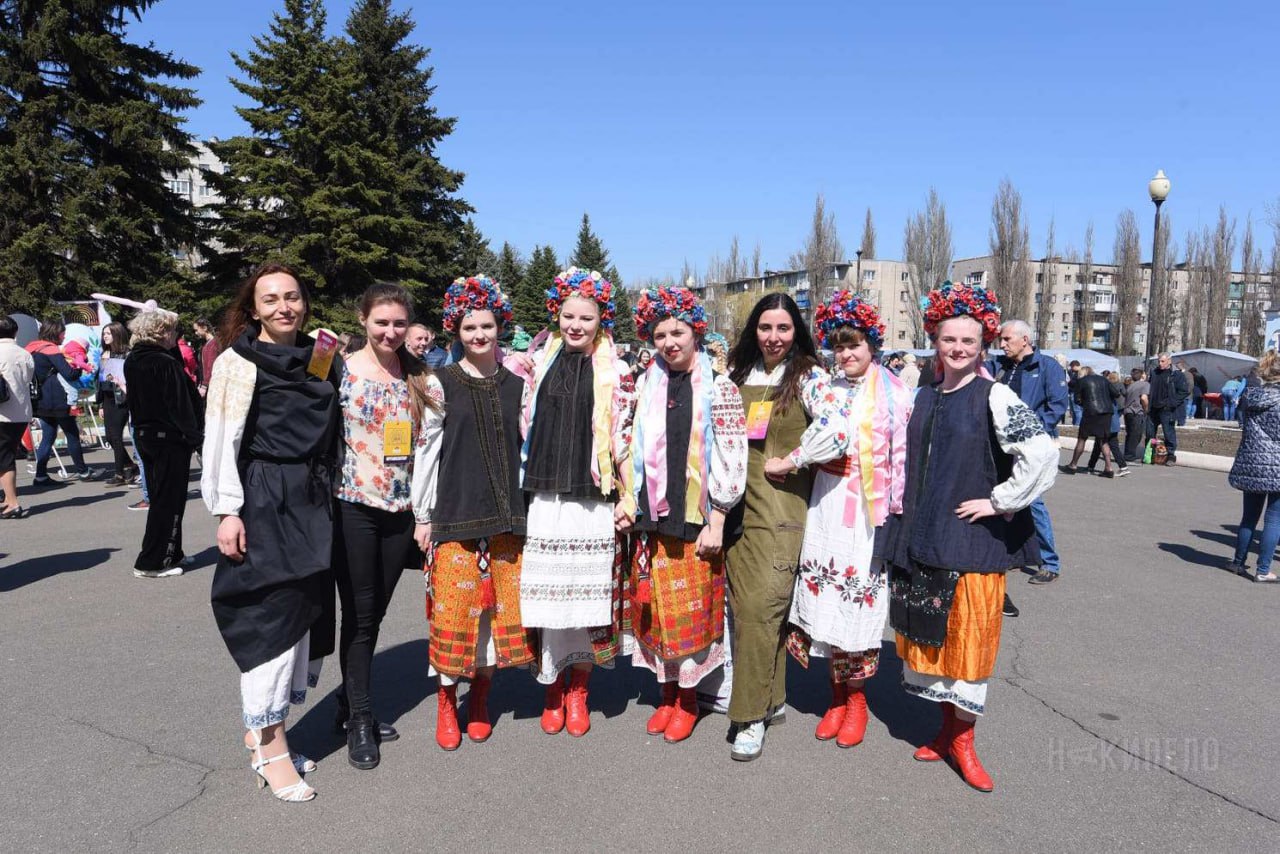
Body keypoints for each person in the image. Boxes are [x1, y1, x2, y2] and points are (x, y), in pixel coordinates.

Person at [889, 281, 1057, 792]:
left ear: (982, 344)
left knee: (970, 647)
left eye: (968, 341)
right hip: (926, 538)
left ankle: (964, 741)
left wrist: (999, 500)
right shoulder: (922, 395)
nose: (958, 349)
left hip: (972, 544)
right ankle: (944, 732)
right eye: (948, 340)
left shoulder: (996, 395)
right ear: (934, 342)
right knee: (934, 644)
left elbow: (1043, 454)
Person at [202, 263, 340, 803]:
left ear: (304, 301)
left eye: (292, 296)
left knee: (304, 612)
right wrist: (227, 511)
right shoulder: (237, 361)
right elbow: (221, 437)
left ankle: (266, 733)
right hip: (263, 495)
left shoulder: (321, 355)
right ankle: (270, 745)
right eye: (271, 299)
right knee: (272, 613)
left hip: (312, 496)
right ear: (253, 308)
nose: (284, 306)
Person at [773, 291, 910, 748]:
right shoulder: (825, 387)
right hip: (827, 500)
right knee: (824, 602)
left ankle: (857, 701)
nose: (847, 353)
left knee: (859, 606)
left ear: (873, 344)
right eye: (840, 345)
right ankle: (835, 697)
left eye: (855, 344)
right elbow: (828, 432)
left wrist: (791, 459)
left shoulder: (896, 393)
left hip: (868, 507)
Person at [617, 286, 747, 743]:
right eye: (660, 334)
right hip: (651, 518)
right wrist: (626, 497)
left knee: (688, 616)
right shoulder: (643, 385)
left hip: (695, 520)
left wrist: (718, 517)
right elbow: (627, 444)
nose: (670, 341)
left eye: (678, 331)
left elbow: (731, 454)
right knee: (655, 613)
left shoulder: (720, 388)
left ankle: (689, 701)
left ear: (696, 332)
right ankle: (666, 693)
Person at [515, 267, 636, 737]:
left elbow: (624, 439)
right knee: (548, 600)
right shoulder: (534, 364)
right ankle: (551, 685)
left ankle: (579, 689)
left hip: (592, 498)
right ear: (557, 314)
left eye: (586, 316)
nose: (576, 325)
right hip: (546, 493)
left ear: (601, 319)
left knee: (589, 600)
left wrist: (628, 494)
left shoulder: (617, 371)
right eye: (568, 315)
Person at [722, 292, 843, 761]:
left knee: (757, 612)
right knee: (755, 618)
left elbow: (839, 428)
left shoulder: (810, 376)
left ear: (797, 332)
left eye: (784, 328)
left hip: (778, 517)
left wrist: (793, 459)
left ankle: (748, 717)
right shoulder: (737, 376)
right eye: (766, 328)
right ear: (755, 329)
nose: (774, 337)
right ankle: (769, 701)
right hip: (734, 512)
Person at [417, 277, 536, 750]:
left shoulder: (519, 385)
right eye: (470, 326)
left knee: (494, 618)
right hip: (455, 513)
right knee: (452, 615)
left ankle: (482, 697)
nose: (479, 334)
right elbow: (426, 450)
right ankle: (447, 701)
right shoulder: (439, 381)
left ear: (499, 326)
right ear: (456, 328)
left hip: (509, 517)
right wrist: (423, 515)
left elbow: (530, 449)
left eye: (487, 325)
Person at [332, 283, 441, 769]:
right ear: (363, 320)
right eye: (382, 322)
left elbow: (430, 454)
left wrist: (425, 515)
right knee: (359, 613)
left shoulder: (423, 379)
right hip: (352, 505)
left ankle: (348, 700)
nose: (391, 332)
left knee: (372, 615)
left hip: (401, 514)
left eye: (399, 323)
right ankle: (359, 718)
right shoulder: (336, 369)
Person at [991, 320, 1069, 595]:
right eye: (1000, 339)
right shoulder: (1000, 367)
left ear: (1025, 339)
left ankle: (1050, 563)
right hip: (1002, 446)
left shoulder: (1047, 367)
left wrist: (1031, 432)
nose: (1002, 344)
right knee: (1003, 498)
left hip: (1032, 447)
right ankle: (1010, 555)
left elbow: (1057, 405)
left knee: (1032, 502)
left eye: (1007, 339)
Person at [125, 309, 202, 577]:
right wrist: (196, 437)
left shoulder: (134, 359)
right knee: (168, 500)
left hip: (146, 434)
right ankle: (153, 561)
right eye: (171, 330)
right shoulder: (163, 362)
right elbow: (180, 404)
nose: (175, 335)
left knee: (162, 497)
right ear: (160, 331)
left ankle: (171, 552)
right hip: (169, 438)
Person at [1227, 351, 1280, 582]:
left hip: (1253, 463)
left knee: (1249, 517)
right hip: (1277, 466)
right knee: (1273, 519)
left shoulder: (1252, 397)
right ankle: (1263, 570)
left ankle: (1238, 562)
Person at [26, 319, 100, 485]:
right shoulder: (51, 350)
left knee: (47, 437)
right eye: (62, 333)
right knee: (72, 434)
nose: (64, 335)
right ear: (55, 333)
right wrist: (81, 364)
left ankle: (41, 475)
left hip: (41, 400)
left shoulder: (31, 349)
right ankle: (83, 471)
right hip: (59, 399)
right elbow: (70, 374)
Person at [0, 315, 35, 518]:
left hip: (3, 413)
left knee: (4, 459)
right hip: (21, 412)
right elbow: (28, 378)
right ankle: (8, 499)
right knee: (8, 454)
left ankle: (12, 503)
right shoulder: (25, 353)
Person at [97, 322, 137, 486]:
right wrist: (100, 404)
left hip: (121, 398)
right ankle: (129, 465)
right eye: (104, 333)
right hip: (107, 398)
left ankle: (119, 473)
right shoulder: (104, 354)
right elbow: (99, 381)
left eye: (108, 333)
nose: (105, 336)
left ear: (117, 334)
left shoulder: (126, 354)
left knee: (116, 436)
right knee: (109, 437)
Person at [1060, 366, 1118, 477]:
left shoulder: (1082, 381)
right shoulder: (1104, 379)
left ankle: (1073, 465)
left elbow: (1077, 400)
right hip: (1106, 412)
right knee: (1103, 440)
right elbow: (1115, 393)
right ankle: (1109, 468)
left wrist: (1086, 404)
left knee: (1082, 438)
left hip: (1091, 412)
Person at [1086, 371, 1129, 477]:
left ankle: (1122, 466)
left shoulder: (1102, 398)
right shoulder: (1112, 397)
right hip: (1113, 425)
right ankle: (1091, 466)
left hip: (1105, 425)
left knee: (1108, 445)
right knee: (1099, 445)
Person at [1148, 354, 1188, 466]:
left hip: (1167, 409)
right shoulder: (1154, 372)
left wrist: (1172, 403)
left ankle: (1170, 455)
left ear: (1169, 361)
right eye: (1159, 361)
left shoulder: (1176, 374)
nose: (1160, 363)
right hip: (1153, 408)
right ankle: (1151, 453)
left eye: (1162, 361)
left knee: (1168, 432)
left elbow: (1184, 391)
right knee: (1150, 433)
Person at [1122, 369, 1151, 461]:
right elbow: (1143, 398)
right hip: (1137, 412)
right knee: (1136, 434)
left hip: (1128, 411)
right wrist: (1146, 409)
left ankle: (1127, 453)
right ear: (1142, 375)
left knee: (1130, 434)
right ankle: (1130, 455)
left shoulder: (1131, 385)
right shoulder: (1145, 384)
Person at [193, 317, 221, 396]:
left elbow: (210, 366)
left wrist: (205, 385)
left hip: (210, 386)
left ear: (204, 328)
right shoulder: (206, 344)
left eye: (196, 330)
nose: (196, 333)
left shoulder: (213, 344)